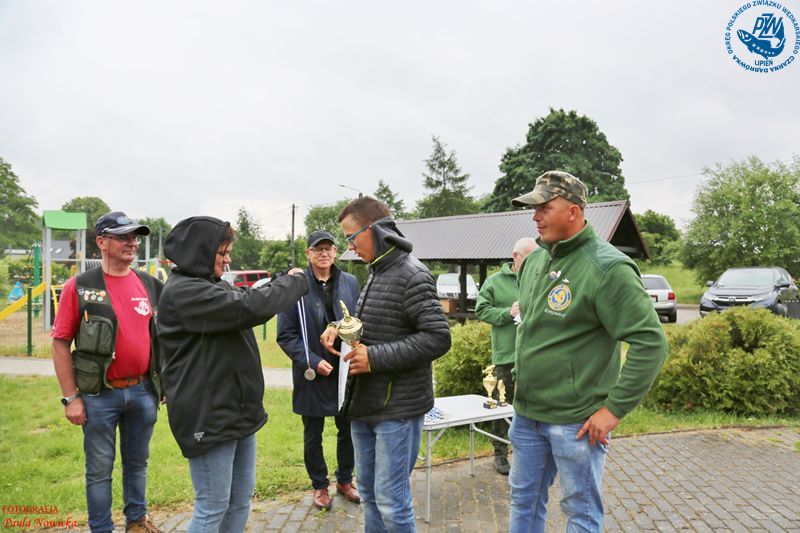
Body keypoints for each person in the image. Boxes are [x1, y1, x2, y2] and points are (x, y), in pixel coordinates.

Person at [508, 171, 668, 532]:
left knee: (580, 512)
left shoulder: (608, 268)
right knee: (523, 500)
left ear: (574, 212)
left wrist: (613, 411)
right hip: (527, 415)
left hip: (575, 422)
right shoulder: (533, 261)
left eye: (544, 207)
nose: (535, 216)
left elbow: (651, 342)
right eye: (534, 208)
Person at [156, 216, 308, 532]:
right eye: (221, 252)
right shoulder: (185, 292)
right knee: (212, 507)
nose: (227, 260)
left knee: (239, 500)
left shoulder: (211, 285)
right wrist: (293, 282)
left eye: (228, 252)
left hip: (236, 411)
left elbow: (245, 298)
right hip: (209, 415)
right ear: (199, 252)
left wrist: (280, 279)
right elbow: (248, 307)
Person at [319, 196, 451, 532]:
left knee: (392, 502)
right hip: (366, 405)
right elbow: (378, 322)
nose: (349, 247)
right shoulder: (377, 270)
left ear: (375, 230)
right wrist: (339, 328)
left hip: (398, 410)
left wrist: (374, 358)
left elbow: (438, 338)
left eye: (351, 237)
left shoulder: (412, 274)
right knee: (370, 495)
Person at [51, 211, 164, 533]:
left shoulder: (150, 284)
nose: (132, 243)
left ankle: (137, 522)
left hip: (143, 392)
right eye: (123, 237)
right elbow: (60, 342)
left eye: (135, 237)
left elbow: (167, 337)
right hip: (99, 396)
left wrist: (164, 384)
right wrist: (71, 397)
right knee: (99, 471)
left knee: (137, 464)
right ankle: (101, 528)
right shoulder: (80, 287)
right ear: (101, 242)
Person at [276, 230, 361, 510]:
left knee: (348, 429)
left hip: (345, 368)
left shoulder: (350, 282)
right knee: (313, 433)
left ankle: (345, 480)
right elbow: (286, 335)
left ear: (336, 252)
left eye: (329, 248)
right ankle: (319, 485)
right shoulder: (296, 286)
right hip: (312, 371)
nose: (324, 253)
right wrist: (311, 360)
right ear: (308, 253)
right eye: (318, 249)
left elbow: (358, 320)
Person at [474, 237, 536, 475]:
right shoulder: (494, 281)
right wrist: (507, 313)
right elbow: (481, 310)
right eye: (529, 258)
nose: (534, 262)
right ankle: (500, 454)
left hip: (535, 355)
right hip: (506, 355)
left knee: (533, 405)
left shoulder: (540, 278)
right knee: (502, 406)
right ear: (516, 257)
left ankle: (529, 452)